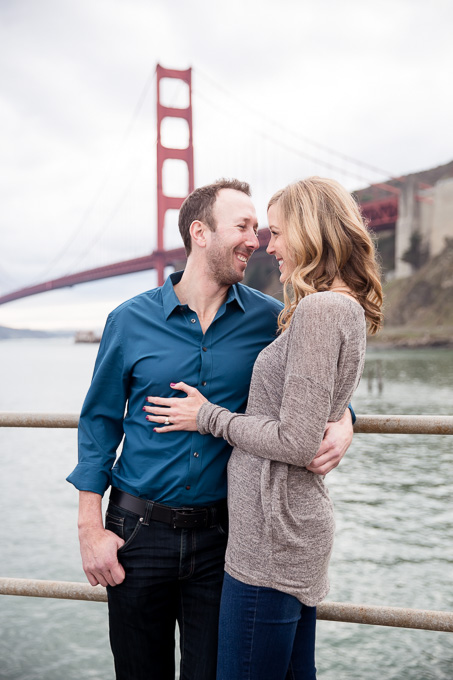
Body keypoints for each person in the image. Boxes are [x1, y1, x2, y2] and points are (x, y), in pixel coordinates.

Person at [67, 178, 355, 680]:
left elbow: (320, 386)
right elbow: (98, 428)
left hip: (225, 539)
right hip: (136, 533)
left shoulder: (274, 320)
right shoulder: (128, 321)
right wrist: (91, 531)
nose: (256, 240)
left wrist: (346, 423)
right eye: (243, 226)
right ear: (200, 232)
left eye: (261, 228)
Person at [143, 177, 383, 680]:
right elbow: (317, 402)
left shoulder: (317, 310)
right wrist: (345, 418)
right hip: (285, 529)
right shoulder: (336, 307)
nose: (266, 246)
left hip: (272, 539)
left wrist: (207, 416)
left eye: (277, 232)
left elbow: (296, 441)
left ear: (311, 231)